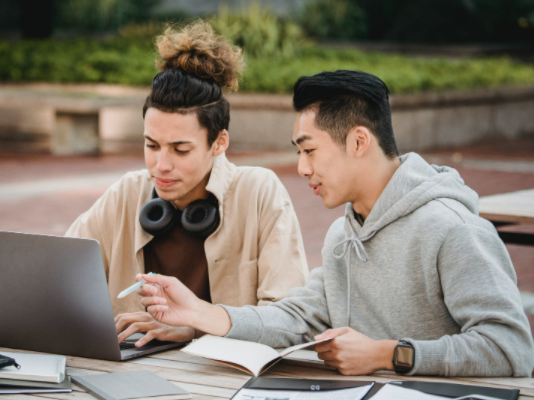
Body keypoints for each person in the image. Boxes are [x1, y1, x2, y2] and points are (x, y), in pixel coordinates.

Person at [135, 70, 534, 377]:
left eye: (309, 150)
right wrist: (199, 313)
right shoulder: (343, 236)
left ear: (358, 142)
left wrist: (388, 353)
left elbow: (511, 348)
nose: (302, 167)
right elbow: (294, 318)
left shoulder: (453, 230)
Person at [66, 23, 308, 347]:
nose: (161, 165)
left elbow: (291, 324)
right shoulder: (127, 193)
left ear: (219, 143)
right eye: (152, 145)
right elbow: (58, 275)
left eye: (181, 149)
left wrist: (195, 327)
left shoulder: (259, 193)